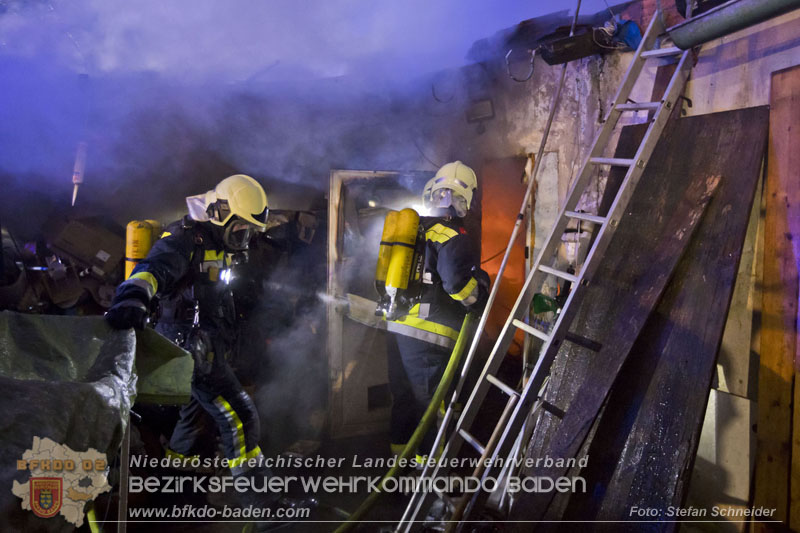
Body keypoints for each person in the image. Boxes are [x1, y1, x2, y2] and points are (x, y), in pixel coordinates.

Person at [106, 174, 271, 483]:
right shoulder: (184, 239)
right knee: (240, 416)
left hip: (205, 345)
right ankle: (261, 501)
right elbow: (152, 269)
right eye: (239, 231)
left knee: (195, 407)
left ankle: (180, 470)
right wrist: (133, 297)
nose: (242, 240)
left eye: (248, 233)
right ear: (220, 213)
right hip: (189, 349)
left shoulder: (216, 240)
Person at [385, 161, 490, 460]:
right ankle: (431, 492)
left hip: (398, 330)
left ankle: (400, 475)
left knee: (404, 402)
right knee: (433, 410)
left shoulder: (417, 230)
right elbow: (458, 287)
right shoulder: (453, 236)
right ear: (464, 200)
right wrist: (480, 291)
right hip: (428, 340)